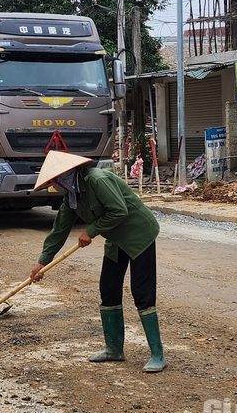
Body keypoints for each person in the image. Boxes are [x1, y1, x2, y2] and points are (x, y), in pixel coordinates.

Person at [29, 151, 167, 373]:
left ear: (65, 175)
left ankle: (158, 354)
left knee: (142, 292)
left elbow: (119, 210)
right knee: (108, 288)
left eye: (54, 181)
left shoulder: (97, 180)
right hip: (115, 239)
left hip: (138, 235)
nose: (53, 186)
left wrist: (91, 231)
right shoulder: (72, 196)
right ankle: (114, 349)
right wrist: (42, 262)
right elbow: (59, 229)